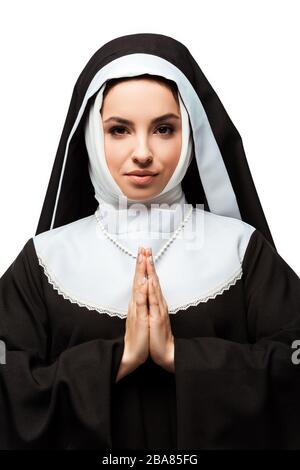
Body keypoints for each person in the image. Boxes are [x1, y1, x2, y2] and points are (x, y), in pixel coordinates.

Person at [0, 32, 300, 450]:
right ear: (91, 135)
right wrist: (116, 361)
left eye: (163, 129)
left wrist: (180, 357)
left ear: (191, 134)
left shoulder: (242, 251)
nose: (143, 152)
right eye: (119, 130)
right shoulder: (44, 261)